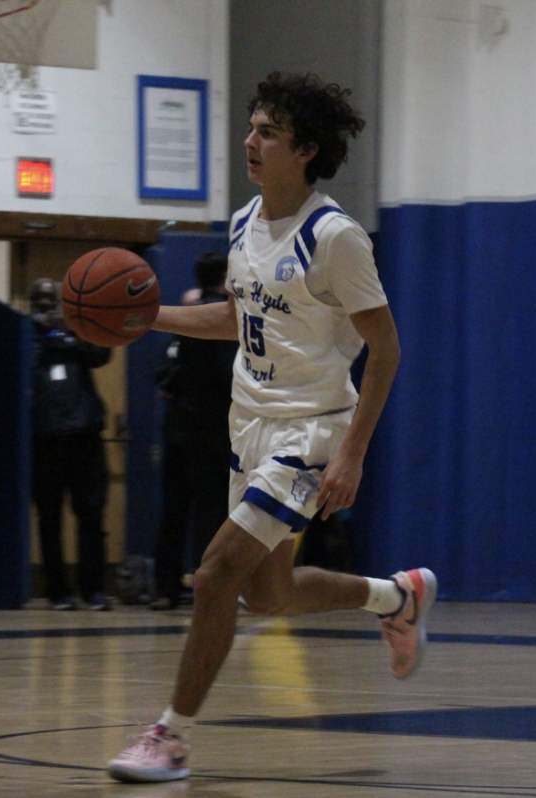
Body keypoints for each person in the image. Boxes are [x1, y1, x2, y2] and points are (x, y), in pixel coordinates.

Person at [108, 72, 435, 783]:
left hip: (310, 431)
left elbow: (386, 350)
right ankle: (397, 596)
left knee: (217, 573)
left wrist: (349, 455)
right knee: (268, 594)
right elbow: (237, 316)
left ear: (305, 150)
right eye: (251, 126)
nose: (249, 141)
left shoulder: (335, 236)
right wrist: (150, 316)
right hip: (249, 426)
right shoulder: (243, 223)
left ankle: (170, 737)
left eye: (267, 133)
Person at [151, 252, 238, 610]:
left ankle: (165, 589)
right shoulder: (225, 321)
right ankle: (210, 587)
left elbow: (165, 381)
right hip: (214, 429)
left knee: (173, 512)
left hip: (180, 429)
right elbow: (228, 377)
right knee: (212, 511)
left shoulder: (183, 323)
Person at [29, 278, 113, 611]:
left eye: (51, 300)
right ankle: (57, 590)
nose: (46, 306)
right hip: (46, 440)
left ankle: (93, 589)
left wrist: (73, 329)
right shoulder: (26, 336)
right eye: (40, 300)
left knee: (91, 516)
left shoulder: (77, 332)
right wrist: (39, 332)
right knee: (49, 519)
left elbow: (101, 354)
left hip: (84, 437)